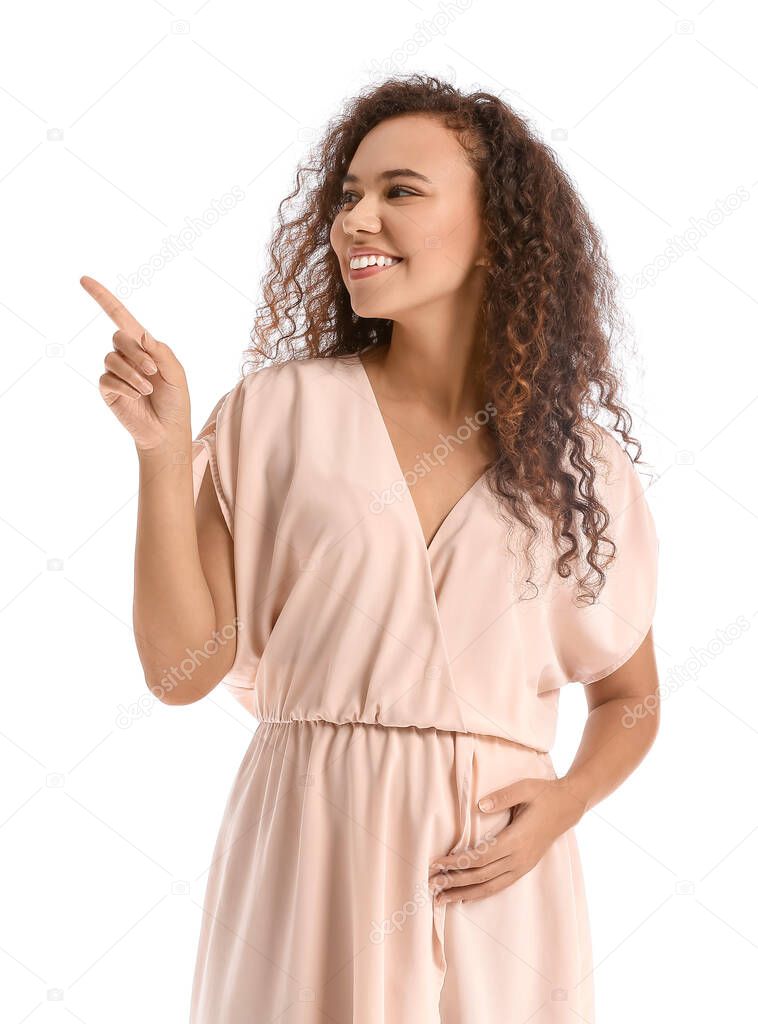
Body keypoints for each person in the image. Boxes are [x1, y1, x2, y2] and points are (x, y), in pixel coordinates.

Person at [80, 74, 660, 1024]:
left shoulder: (579, 464)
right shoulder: (277, 414)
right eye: (348, 194)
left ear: (497, 233)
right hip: (310, 851)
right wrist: (158, 453)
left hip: (498, 875)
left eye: (400, 191)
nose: (356, 219)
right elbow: (182, 673)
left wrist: (569, 801)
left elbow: (630, 699)